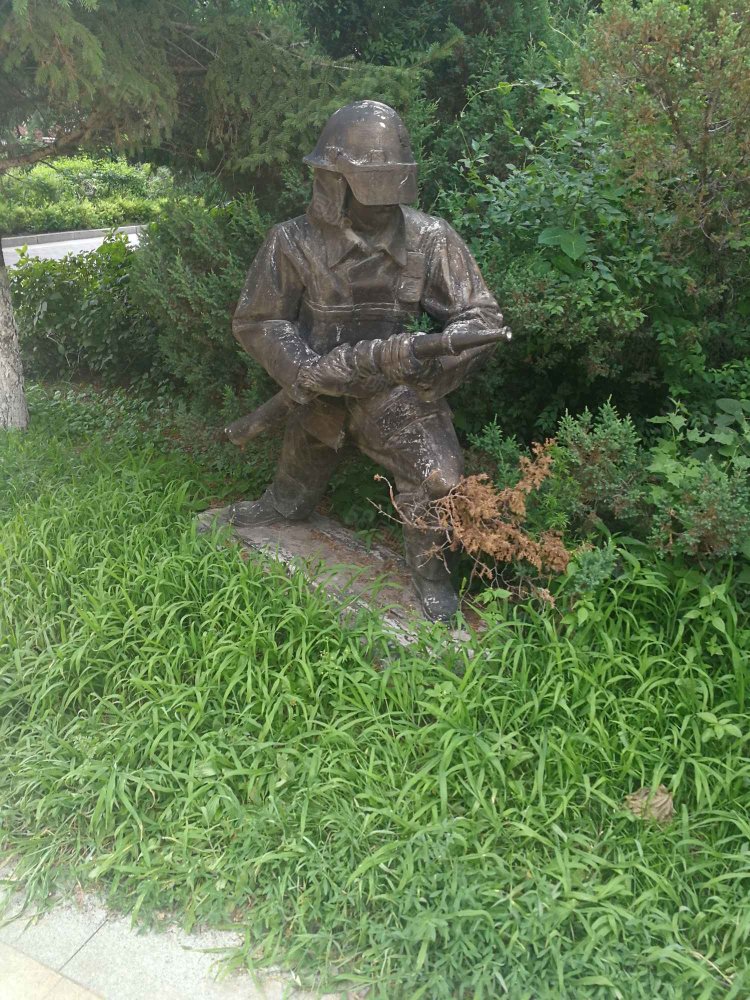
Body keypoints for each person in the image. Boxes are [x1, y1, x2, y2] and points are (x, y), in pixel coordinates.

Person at [230, 100, 504, 621]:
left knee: (439, 480)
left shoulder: (430, 238)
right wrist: (302, 369)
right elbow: (259, 320)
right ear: (333, 182)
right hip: (320, 387)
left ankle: (431, 573)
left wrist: (434, 367)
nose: (382, 206)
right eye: (368, 189)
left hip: (397, 393)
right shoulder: (291, 241)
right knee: (298, 477)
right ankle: (284, 502)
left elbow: (481, 317)